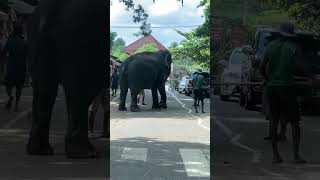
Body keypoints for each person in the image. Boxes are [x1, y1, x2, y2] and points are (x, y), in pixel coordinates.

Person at [260, 22, 309, 163]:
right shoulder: (294, 47)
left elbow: (262, 68)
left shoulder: (270, 46)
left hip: (272, 88)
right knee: (294, 122)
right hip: (287, 87)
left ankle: (275, 155)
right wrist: (311, 78)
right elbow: (302, 66)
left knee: (274, 120)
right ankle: (296, 155)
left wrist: (268, 80)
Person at [2, 25, 27, 112]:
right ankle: (16, 105)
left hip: (11, 67)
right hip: (21, 67)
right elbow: (28, 56)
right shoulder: (24, 43)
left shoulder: (10, 41)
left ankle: (10, 97)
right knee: (19, 87)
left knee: (8, 86)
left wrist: (4, 64)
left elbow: (3, 53)